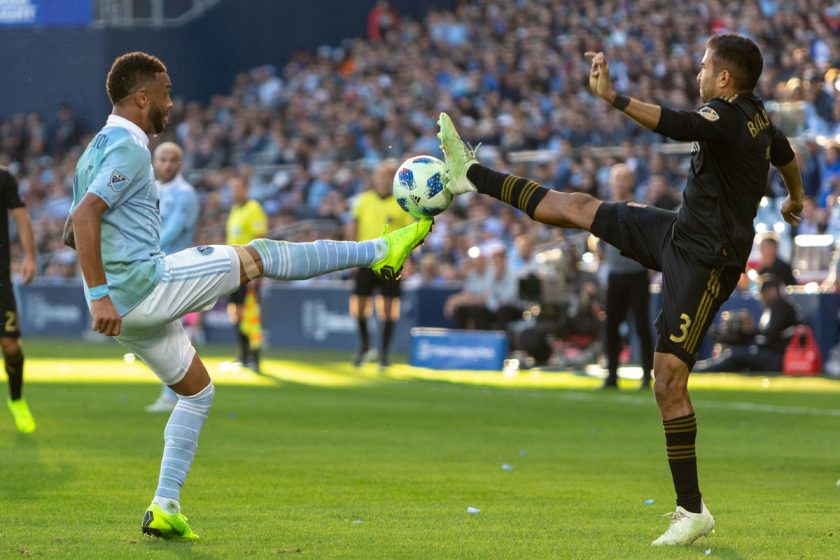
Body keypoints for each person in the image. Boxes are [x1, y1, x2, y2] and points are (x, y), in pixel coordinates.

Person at [437, 34, 804, 545]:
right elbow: (785, 153)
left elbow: (678, 124)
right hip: (679, 233)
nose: (697, 73)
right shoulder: (758, 117)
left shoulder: (728, 118)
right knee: (580, 207)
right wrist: (796, 197)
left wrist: (612, 97)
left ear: (724, 78)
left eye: (703, 67)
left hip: (707, 262)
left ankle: (691, 510)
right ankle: (470, 174)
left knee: (667, 380)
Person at [63, 51, 431, 541]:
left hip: (129, 303)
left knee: (196, 392)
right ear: (141, 96)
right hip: (141, 288)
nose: (172, 103)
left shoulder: (94, 149)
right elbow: (86, 218)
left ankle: (165, 505)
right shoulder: (130, 148)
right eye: (167, 92)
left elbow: (71, 230)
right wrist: (102, 293)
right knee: (259, 255)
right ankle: (381, 250)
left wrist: (106, 280)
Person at [145, 142, 200, 413]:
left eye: (172, 160)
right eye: (162, 159)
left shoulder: (185, 193)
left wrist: (143, 251)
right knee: (165, 334)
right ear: (155, 162)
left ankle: (174, 394)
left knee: (174, 334)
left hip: (178, 270)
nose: (167, 164)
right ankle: (178, 392)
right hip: (155, 270)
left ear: (180, 163)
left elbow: (175, 230)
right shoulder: (150, 190)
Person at [347, 160, 414, 370]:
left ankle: (384, 353)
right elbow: (353, 225)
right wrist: (352, 253)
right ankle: (365, 346)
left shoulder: (401, 202)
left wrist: (408, 259)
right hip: (366, 258)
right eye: (380, 175)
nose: (383, 179)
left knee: (389, 306)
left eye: (387, 175)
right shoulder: (363, 200)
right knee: (359, 305)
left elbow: (411, 234)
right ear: (374, 178)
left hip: (391, 260)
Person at [600, 164, 654, 390]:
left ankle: (646, 375)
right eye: (617, 179)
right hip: (615, 274)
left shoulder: (640, 206)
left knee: (642, 325)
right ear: (610, 182)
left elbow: (651, 237)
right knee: (611, 325)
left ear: (631, 181)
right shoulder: (606, 207)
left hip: (637, 273)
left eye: (624, 179)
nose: (620, 183)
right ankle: (611, 375)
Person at [695, 274, 800, 372]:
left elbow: (768, 338)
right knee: (734, 353)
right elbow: (763, 338)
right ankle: (702, 367)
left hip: (779, 359)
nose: (761, 298)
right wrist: (748, 331)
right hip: (772, 355)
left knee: (735, 354)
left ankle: (702, 369)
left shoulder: (781, 306)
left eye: (762, 293)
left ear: (772, 291)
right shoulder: (772, 308)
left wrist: (752, 329)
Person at [0, 168, 36, 433]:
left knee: (10, 345)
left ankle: (16, 400)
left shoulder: (4, 178)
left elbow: (21, 217)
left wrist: (30, 256)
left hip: (1, 279)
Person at [225, 174, 268, 372]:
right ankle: (243, 355)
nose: (235, 192)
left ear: (246, 190)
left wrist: (256, 272)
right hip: (234, 270)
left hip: (249, 271)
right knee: (236, 313)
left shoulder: (254, 209)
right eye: (233, 189)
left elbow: (260, 241)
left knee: (251, 315)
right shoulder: (234, 210)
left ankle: (255, 357)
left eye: (238, 188)